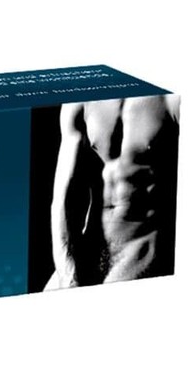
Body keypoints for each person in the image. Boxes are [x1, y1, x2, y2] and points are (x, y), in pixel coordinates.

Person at [46, 95, 179, 289]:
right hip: (88, 251)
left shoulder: (173, 100)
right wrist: (68, 275)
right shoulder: (82, 100)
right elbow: (64, 198)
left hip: (140, 256)